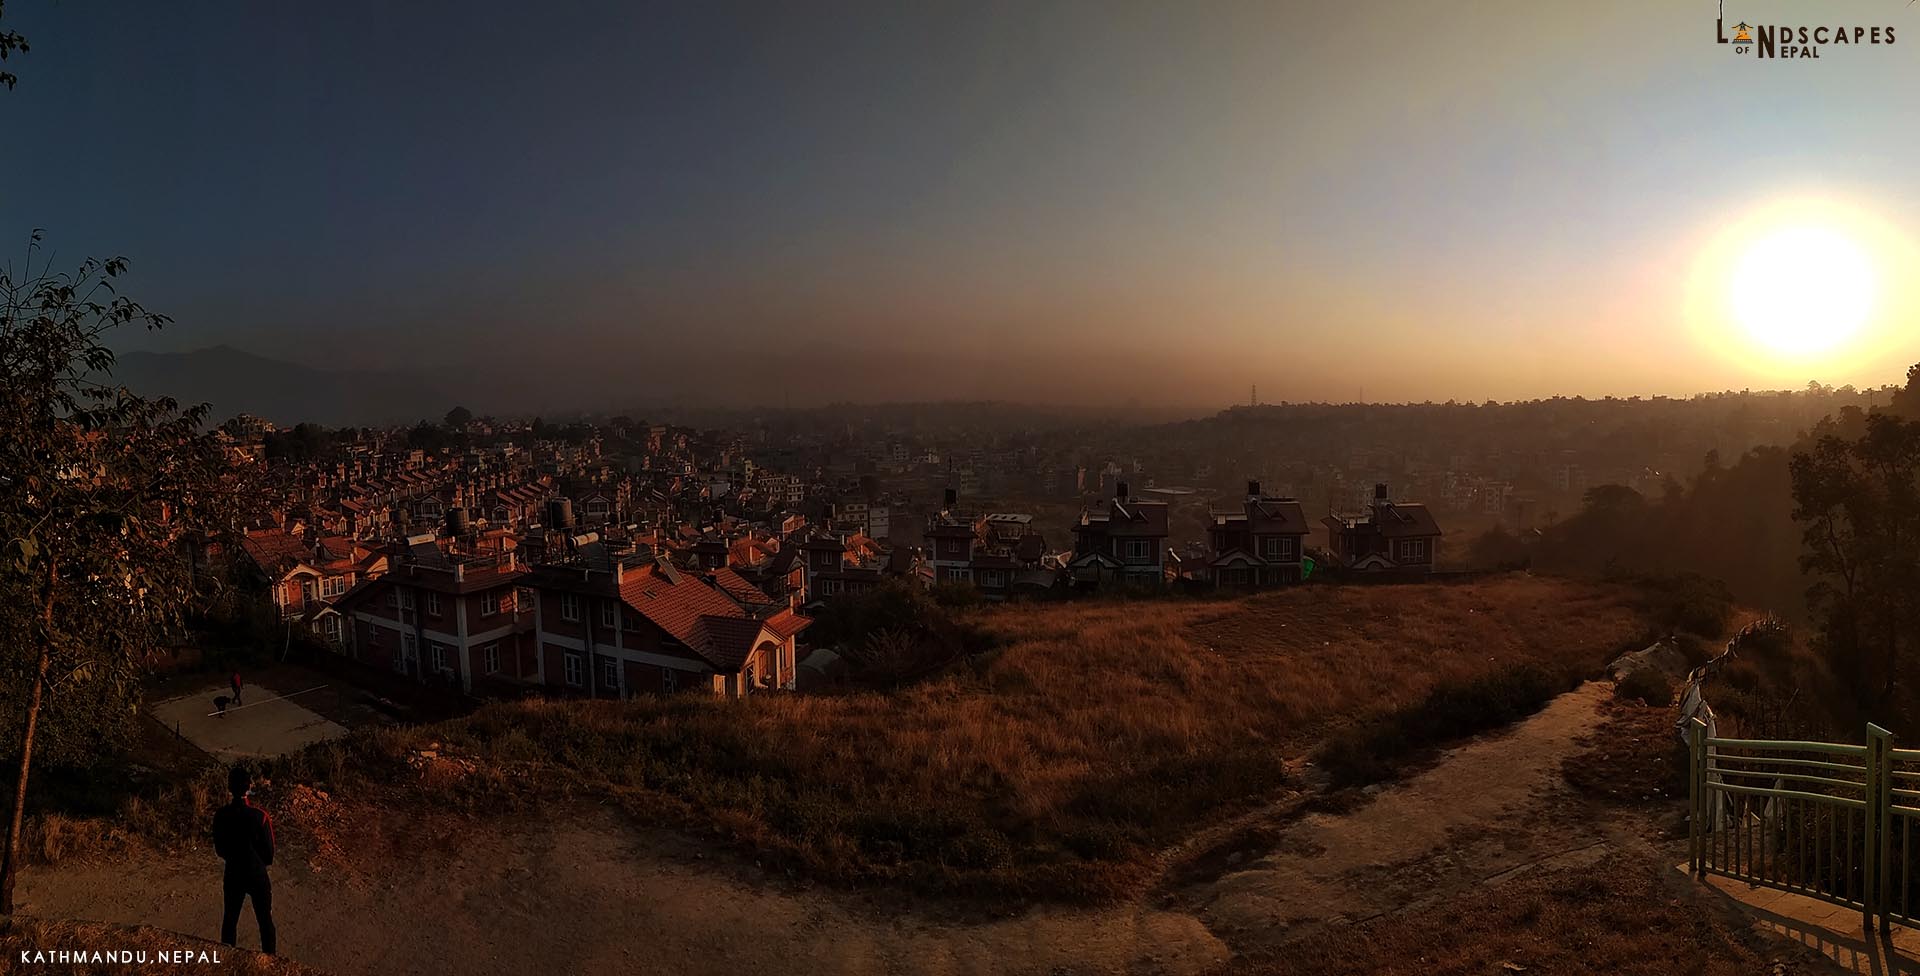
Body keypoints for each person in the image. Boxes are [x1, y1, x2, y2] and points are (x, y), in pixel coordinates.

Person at [212, 765, 276, 954]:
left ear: (229, 788)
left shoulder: (220, 815)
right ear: (248, 787)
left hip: (233, 873)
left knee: (230, 920)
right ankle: (270, 962)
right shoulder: (260, 816)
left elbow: (220, 849)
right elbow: (269, 853)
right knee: (265, 921)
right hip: (257, 874)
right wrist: (256, 862)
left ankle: (227, 959)